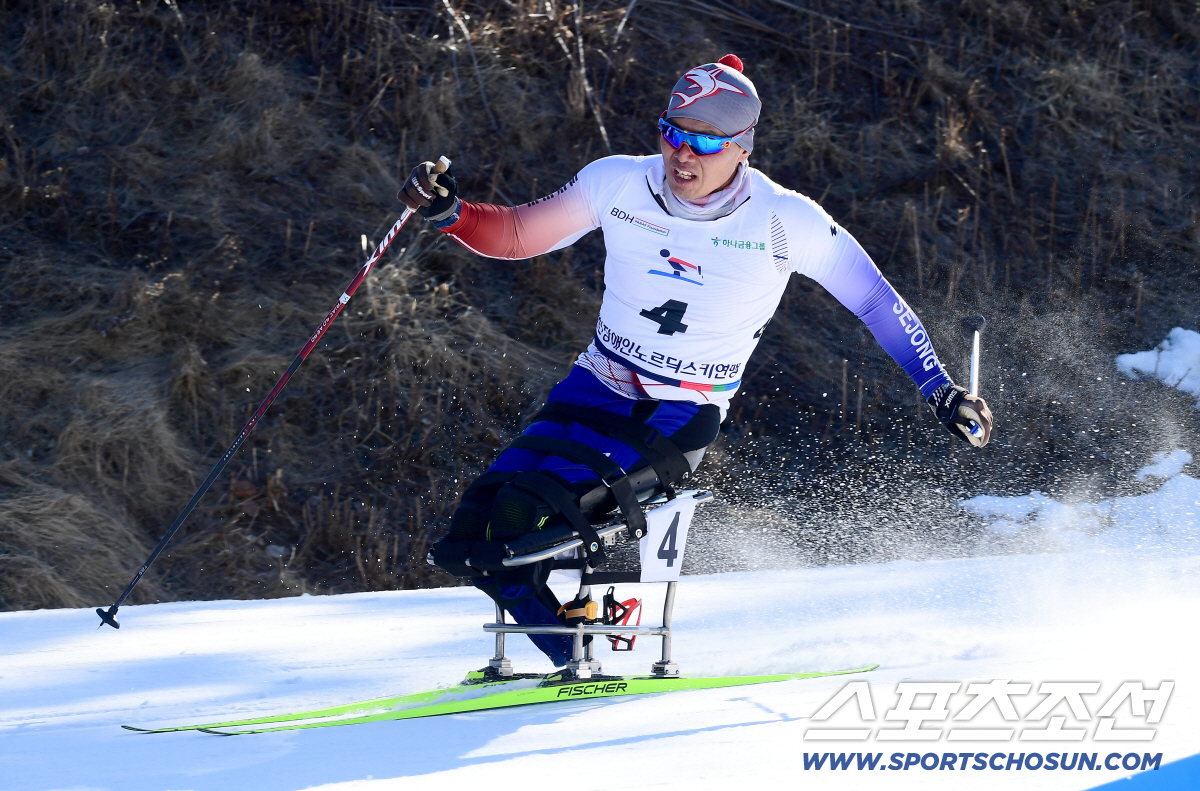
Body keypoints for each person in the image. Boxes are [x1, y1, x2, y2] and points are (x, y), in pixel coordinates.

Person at [399, 54, 993, 668]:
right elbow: (521, 235)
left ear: (744, 148)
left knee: (523, 517)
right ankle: (573, 656)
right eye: (674, 134)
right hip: (593, 386)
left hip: (678, 413)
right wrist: (453, 215)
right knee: (472, 535)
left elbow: (872, 299)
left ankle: (578, 664)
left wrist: (940, 389)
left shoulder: (784, 221)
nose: (683, 155)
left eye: (706, 142)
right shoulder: (617, 182)